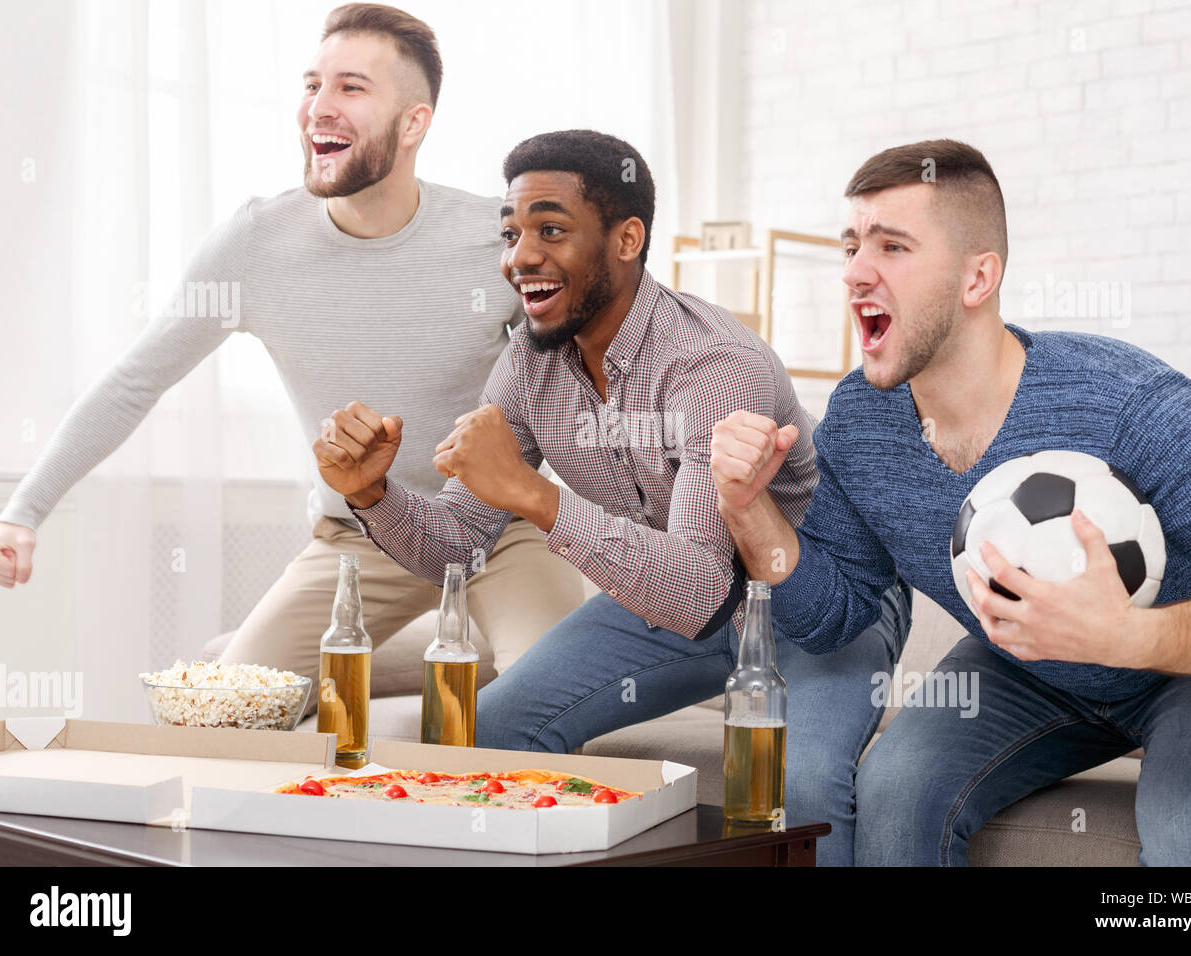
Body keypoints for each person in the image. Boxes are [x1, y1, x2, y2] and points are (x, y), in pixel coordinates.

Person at [313, 128, 912, 867]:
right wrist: (372, 493)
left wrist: (535, 496)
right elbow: (457, 545)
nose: (521, 256)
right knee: (489, 728)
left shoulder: (713, 365)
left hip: (814, 597)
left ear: (627, 238)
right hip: (670, 595)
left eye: (551, 230)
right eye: (512, 233)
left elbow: (700, 585)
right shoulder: (528, 366)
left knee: (805, 786)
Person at [0, 3, 584, 700]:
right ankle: (454, 647)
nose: (318, 108)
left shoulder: (499, 239)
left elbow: (587, 377)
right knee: (221, 709)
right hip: (360, 538)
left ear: (414, 122)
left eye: (351, 88)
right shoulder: (255, 246)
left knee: (551, 702)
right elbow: (133, 382)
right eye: (311, 85)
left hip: (496, 530)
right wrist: (22, 513)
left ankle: (482, 645)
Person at [710, 137, 1191, 866]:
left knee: (1187, 829)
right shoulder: (859, 420)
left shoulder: (1127, 401)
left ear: (977, 278)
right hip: (1033, 668)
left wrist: (1129, 638)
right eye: (851, 245)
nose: (854, 271)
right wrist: (748, 509)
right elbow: (834, 615)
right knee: (896, 788)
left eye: (891, 246)